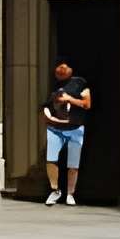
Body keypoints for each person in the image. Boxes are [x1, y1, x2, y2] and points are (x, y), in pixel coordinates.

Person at [41, 57, 90, 205]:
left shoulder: (80, 83)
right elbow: (47, 105)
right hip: (55, 128)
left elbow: (87, 104)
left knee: (73, 164)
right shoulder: (52, 84)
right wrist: (47, 115)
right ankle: (55, 190)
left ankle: (70, 193)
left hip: (75, 127)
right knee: (51, 159)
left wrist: (69, 99)